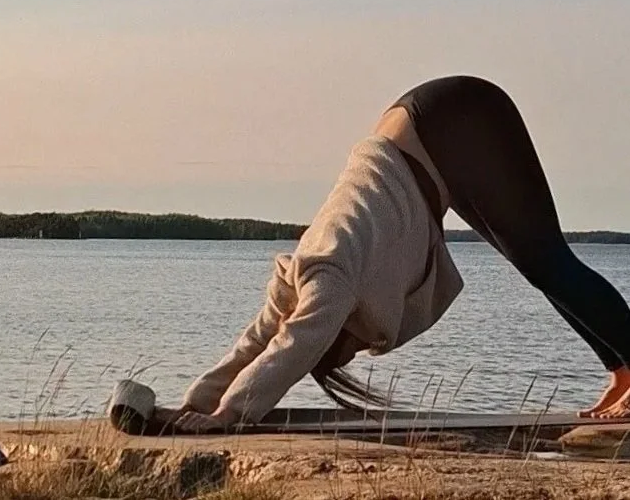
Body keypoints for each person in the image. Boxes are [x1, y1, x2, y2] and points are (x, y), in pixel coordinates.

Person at [173, 75, 630, 433]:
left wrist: (229, 414)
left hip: (456, 120)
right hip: (430, 143)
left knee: (547, 260)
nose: (355, 350)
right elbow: (256, 344)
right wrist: (195, 404)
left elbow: (293, 348)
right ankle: (622, 372)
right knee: (537, 265)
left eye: (344, 351)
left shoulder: (328, 283)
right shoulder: (294, 279)